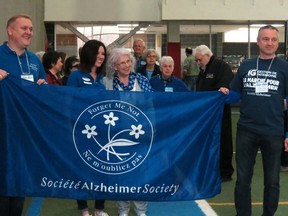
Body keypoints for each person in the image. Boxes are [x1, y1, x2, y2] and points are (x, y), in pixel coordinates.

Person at [220, 25, 288, 216]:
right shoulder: (246, 65)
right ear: (258, 42)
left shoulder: (285, 68)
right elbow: (234, 95)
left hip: (274, 132)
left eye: (274, 40)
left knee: (272, 181)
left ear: (278, 43)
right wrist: (222, 95)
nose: (270, 43)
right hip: (246, 131)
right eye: (265, 39)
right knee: (243, 179)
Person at [0, 14, 47, 216]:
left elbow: (43, 92)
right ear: (10, 30)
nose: (29, 32)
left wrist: (43, 88)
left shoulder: (35, 61)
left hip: (24, 133)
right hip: (2, 131)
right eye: (24, 28)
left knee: (19, 185)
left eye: (31, 28)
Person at [103, 48, 152, 216]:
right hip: (116, 136)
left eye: (128, 61)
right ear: (114, 66)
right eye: (122, 62)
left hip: (140, 135)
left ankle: (141, 210)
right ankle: (122, 209)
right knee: (120, 174)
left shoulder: (142, 80)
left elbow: (152, 104)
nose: (126, 65)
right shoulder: (107, 82)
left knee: (141, 174)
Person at [67, 40, 109, 216]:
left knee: (103, 170)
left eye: (103, 54)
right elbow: (68, 103)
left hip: (101, 133)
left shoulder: (102, 79)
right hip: (81, 132)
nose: (101, 57)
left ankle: (99, 208)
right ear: (88, 54)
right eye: (98, 53)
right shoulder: (76, 76)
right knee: (81, 170)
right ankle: (84, 209)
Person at [194, 44, 234, 182]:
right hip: (207, 114)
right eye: (197, 60)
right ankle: (211, 169)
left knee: (223, 141)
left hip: (220, 112)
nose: (198, 63)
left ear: (207, 55)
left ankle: (225, 172)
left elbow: (224, 88)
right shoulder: (203, 70)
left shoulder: (220, 66)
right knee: (208, 141)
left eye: (199, 59)